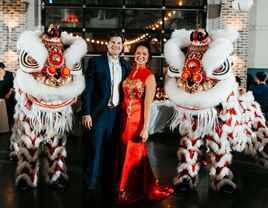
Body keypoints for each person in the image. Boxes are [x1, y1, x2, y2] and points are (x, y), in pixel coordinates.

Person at [114, 41, 173, 205]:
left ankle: (130, 188)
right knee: (125, 151)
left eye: (144, 54)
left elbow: (148, 104)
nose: (140, 56)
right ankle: (125, 184)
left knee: (133, 154)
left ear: (149, 58)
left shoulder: (149, 76)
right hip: (124, 118)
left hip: (137, 120)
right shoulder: (131, 71)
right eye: (138, 53)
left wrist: (145, 127)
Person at [81, 31, 129, 202]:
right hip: (98, 113)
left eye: (119, 43)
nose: (116, 45)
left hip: (116, 114)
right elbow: (87, 90)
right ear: (107, 44)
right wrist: (86, 112)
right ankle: (89, 187)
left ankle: (107, 183)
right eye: (113, 42)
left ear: (123, 46)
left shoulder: (125, 65)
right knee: (94, 150)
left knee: (111, 151)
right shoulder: (96, 62)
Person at [0, 62, 15, 127]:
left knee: (9, 112)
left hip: (8, 97)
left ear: (2, 68)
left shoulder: (9, 74)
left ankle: (8, 127)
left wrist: (9, 94)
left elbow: (13, 86)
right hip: (0, 97)